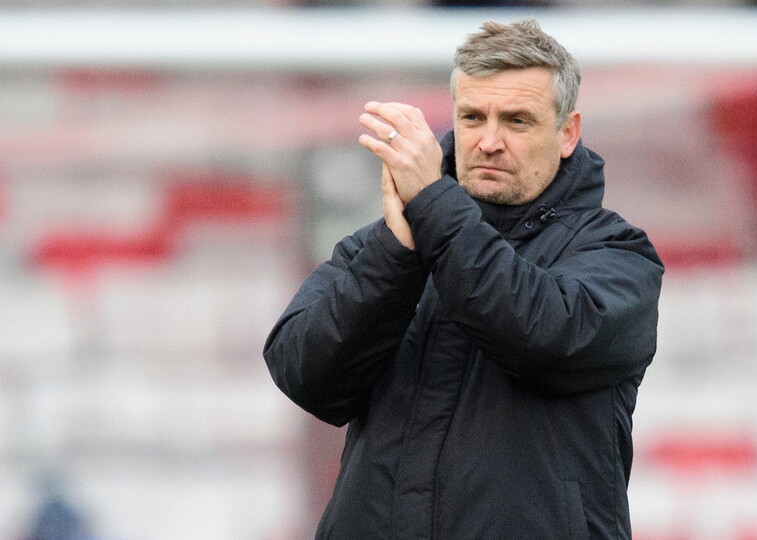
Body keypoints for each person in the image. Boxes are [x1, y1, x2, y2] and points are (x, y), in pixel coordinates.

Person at [264, 19, 663, 540]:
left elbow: (543, 334)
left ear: (567, 133)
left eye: (517, 121)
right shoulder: (392, 244)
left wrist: (432, 207)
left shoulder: (618, 255)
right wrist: (399, 254)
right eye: (473, 117)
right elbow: (303, 373)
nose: (488, 142)